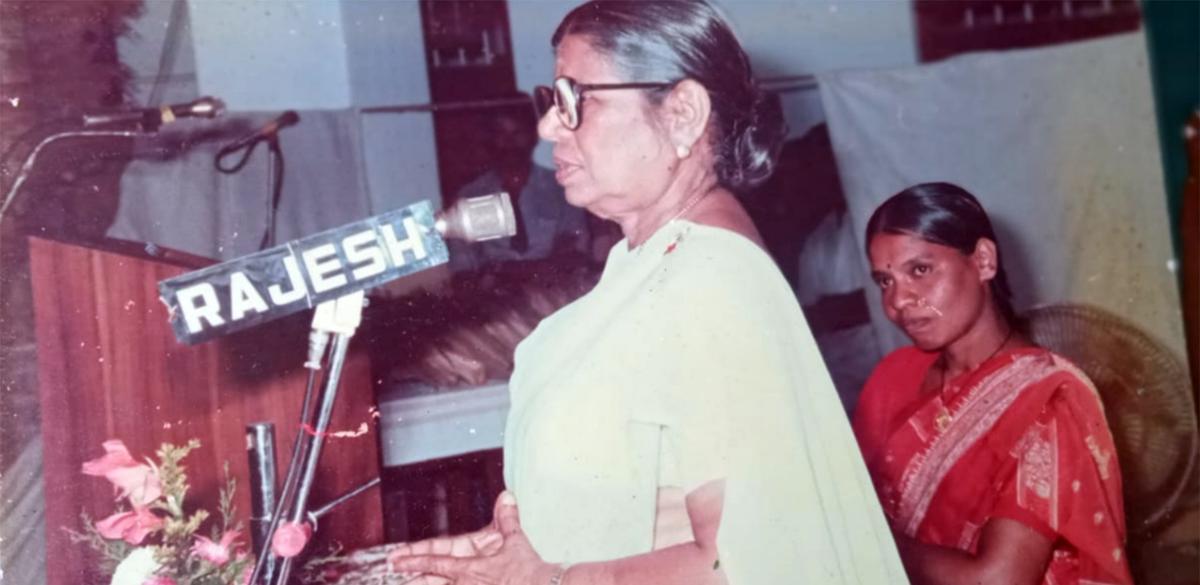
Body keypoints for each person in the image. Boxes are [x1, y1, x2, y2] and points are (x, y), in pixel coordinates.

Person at [389, 1, 907, 584]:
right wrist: (517, 554)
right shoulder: (650, 262)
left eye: (576, 99)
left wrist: (550, 579)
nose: (547, 126)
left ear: (682, 114)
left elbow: (743, 560)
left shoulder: (710, 276)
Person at [853, 182, 1133, 585]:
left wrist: (871, 540)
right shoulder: (892, 378)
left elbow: (998, 580)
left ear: (984, 260)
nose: (898, 301)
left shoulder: (1050, 400)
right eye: (885, 281)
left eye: (920, 270)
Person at [449, 97, 591, 272]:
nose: (509, 143)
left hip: (552, 290)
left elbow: (575, 251)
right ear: (491, 141)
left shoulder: (560, 188)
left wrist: (520, 272)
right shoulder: (471, 196)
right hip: (495, 294)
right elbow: (463, 266)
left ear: (533, 136)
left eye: (517, 133)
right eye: (501, 134)